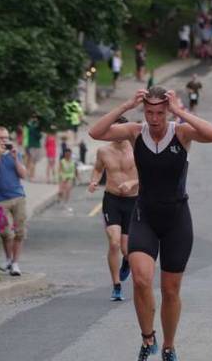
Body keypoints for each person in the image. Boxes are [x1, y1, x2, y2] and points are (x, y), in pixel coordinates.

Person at [88, 86, 212, 361]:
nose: (154, 119)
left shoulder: (180, 133)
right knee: (140, 279)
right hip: (144, 215)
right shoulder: (136, 132)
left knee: (171, 290)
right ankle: (148, 339)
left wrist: (179, 112)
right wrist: (125, 106)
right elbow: (96, 132)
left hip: (176, 219)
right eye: (149, 112)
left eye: (160, 112)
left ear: (167, 111)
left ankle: (169, 346)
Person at [88, 117, 139, 302]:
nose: (117, 135)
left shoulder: (137, 148)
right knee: (114, 243)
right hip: (112, 200)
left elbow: (149, 175)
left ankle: (127, 261)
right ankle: (116, 285)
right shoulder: (103, 151)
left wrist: (132, 182)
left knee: (126, 249)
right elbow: (97, 169)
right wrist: (94, 180)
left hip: (132, 201)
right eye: (114, 130)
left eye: (121, 130)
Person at [0, 126, 28, 276]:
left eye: (6, 138)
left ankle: (15, 263)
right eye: (1, 138)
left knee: (20, 232)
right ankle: (9, 259)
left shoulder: (15, 154)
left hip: (18, 196)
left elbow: (23, 174)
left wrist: (15, 157)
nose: (4, 141)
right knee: (5, 232)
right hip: (1, 199)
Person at [58, 148, 78, 213]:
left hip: (70, 177)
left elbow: (75, 170)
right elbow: (60, 170)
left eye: (69, 154)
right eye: (67, 154)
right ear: (65, 154)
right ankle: (60, 198)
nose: (68, 155)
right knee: (61, 192)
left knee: (68, 190)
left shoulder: (73, 161)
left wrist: (77, 177)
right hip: (63, 177)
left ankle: (66, 204)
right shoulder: (62, 161)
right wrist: (62, 177)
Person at [25, 116, 42, 181]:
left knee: (31, 160)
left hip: (31, 145)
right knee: (33, 161)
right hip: (35, 146)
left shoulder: (30, 126)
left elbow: (28, 124)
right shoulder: (36, 128)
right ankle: (31, 176)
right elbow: (39, 136)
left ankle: (29, 174)